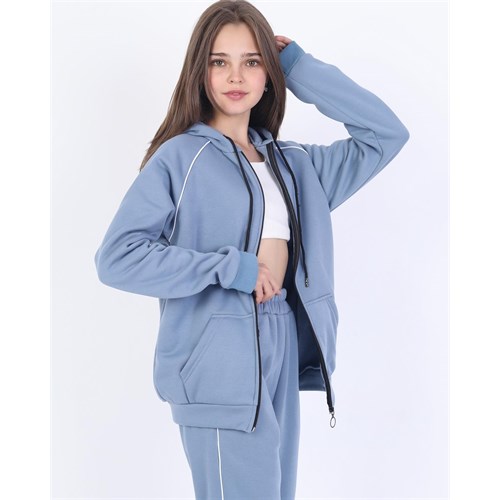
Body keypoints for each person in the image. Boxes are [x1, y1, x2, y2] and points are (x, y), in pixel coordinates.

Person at [94, 0, 410, 498]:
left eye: (252, 61)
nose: (235, 76)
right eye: (219, 61)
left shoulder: (296, 165)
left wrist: (299, 67)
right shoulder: (181, 158)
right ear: (200, 71)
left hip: (281, 344)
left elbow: (385, 135)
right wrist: (230, 268)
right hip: (218, 365)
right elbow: (118, 257)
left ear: (268, 73)